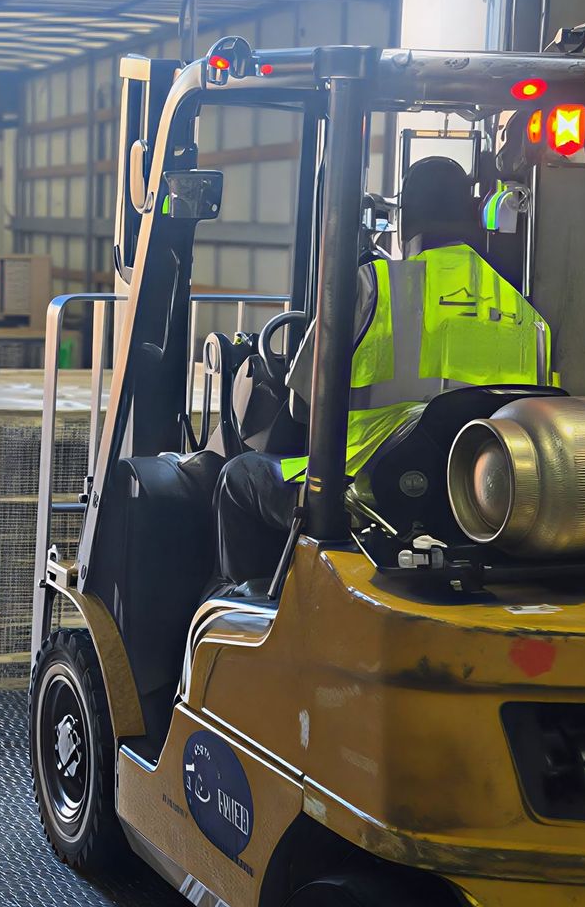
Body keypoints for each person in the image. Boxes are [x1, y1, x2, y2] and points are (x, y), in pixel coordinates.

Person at [213, 155, 552, 585]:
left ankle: (250, 610)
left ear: (405, 219)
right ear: (470, 215)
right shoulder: (525, 311)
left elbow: (302, 405)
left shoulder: (373, 283)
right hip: (483, 498)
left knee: (238, 477)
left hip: (369, 485)